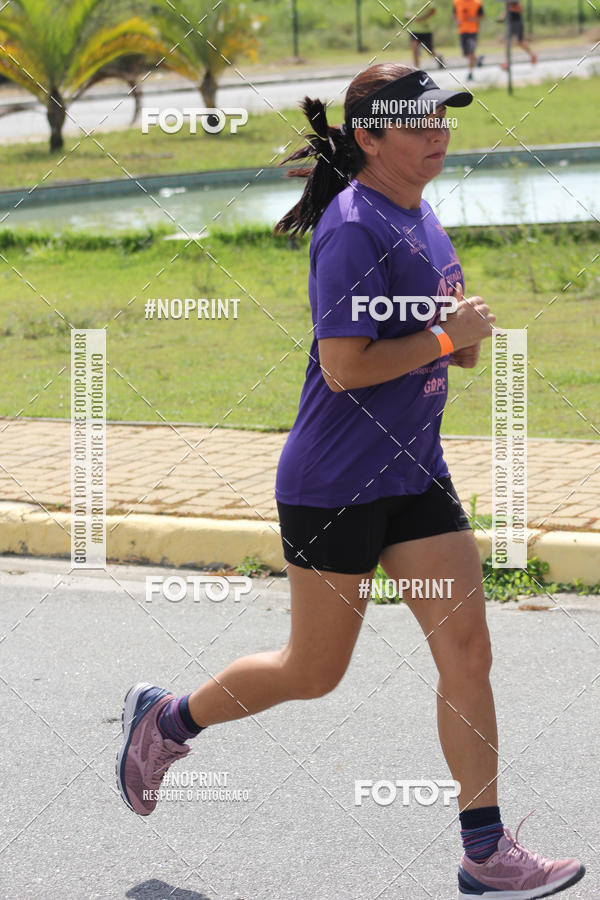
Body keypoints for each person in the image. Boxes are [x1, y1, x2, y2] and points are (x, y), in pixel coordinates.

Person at [116, 63, 586, 899]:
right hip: (334, 484)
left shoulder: (420, 212)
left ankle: (486, 852)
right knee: (312, 672)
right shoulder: (352, 227)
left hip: (414, 477)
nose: (438, 133)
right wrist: (448, 340)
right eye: (418, 122)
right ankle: (168, 717)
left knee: (468, 650)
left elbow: (435, 338)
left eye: (443, 118)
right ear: (369, 137)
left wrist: (460, 336)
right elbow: (343, 368)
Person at [405, 1, 444, 69]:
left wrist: (422, 18)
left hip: (426, 29)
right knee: (415, 48)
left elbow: (433, 10)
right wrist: (407, 15)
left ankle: (438, 57)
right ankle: (417, 69)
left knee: (430, 51)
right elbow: (409, 11)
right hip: (414, 29)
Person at [497, 1, 537, 67]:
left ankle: (532, 55)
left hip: (517, 22)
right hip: (510, 23)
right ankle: (507, 62)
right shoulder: (507, 2)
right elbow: (505, 10)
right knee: (507, 42)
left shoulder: (514, 1)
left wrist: (509, 8)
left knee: (519, 42)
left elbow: (520, 10)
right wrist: (501, 18)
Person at [453, 0, 485, 80]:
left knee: (471, 52)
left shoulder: (477, 3)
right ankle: (477, 59)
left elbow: (482, 16)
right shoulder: (457, 2)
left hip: (472, 31)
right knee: (465, 54)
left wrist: (474, 19)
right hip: (462, 31)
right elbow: (454, 13)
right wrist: (456, 21)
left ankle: (470, 73)